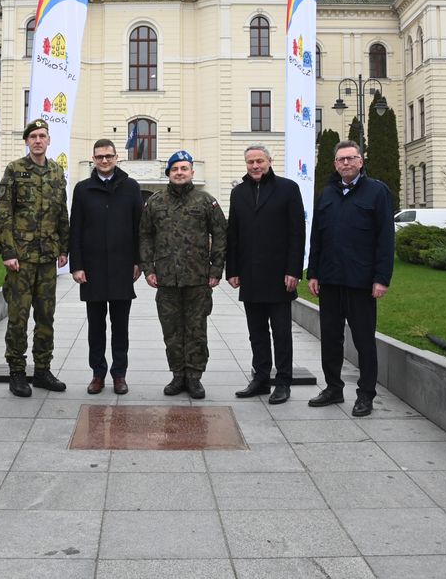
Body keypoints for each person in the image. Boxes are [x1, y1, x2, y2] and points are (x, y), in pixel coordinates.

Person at [306, 140, 395, 417]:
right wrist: (314, 272)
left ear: (361, 161)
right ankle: (333, 388)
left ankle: (366, 394)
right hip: (330, 280)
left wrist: (381, 278)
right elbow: (317, 237)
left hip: (361, 282)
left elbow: (385, 239)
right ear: (335, 164)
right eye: (341, 159)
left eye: (351, 158)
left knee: (363, 340)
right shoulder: (327, 194)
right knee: (330, 338)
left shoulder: (377, 192)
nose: (346, 163)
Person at [139, 150, 227, 399]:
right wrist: (148, 269)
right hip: (166, 279)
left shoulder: (205, 201)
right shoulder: (155, 202)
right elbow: (145, 235)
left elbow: (220, 234)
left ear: (191, 172)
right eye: (175, 169)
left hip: (198, 279)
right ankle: (178, 374)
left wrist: (216, 269)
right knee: (172, 330)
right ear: (168, 173)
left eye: (184, 168)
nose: (180, 172)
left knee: (196, 329)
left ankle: (195, 376)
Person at [226, 145, 305, 405]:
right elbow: (233, 234)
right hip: (250, 274)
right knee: (256, 331)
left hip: (280, 275)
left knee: (281, 332)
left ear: (270, 161)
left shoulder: (288, 188)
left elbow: (297, 233)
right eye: (250, 162)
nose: (255, 166)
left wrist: (294, 270)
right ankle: (260, 378)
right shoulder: (238, 193)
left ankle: (283, 382)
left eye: (259, 160)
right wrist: (233, 270)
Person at [0, 119, 70, 397]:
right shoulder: (15, 170)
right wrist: (8, 251)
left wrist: (64, 248)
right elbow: (4, 213)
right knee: (18, 316)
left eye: (42, 136)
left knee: (46, 315)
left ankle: (42, 370)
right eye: (33, 137)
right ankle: (17, 371)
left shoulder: (56, 171)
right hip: (22, 259)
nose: (38, 140)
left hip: (48, 256)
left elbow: (62, 212)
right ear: (26, 141)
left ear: (49, 141)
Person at [70, 139, 143, 395]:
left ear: (116, 157)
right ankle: (98, 374)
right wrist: (76, 266)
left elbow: (139, 229)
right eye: (99, 156)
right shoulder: (82, 189)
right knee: (96, 327)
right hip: (92, 270)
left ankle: (119, 375)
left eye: (108, 156)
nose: (104, 160)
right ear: (93, 158)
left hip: (123, 268)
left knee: (120, 327)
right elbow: (75, 229)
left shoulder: (131, 187)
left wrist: (138, 262)